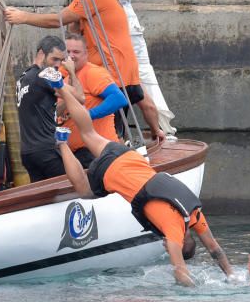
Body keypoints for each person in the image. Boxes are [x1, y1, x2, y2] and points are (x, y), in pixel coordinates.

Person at [49, 69, 233, 286]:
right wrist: (195, 295)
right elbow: (180, 273)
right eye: (171, 247)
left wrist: (230, 273)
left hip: (128, 156)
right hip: (112, 172)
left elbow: (215, 249)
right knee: (84, 189)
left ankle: (61, 86)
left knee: (89, 133)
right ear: (183, 241)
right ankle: (62, 143)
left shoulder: (196, 215)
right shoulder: (175, 232)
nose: (166, 246)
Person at [5, 0, 166, 142]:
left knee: (113, 127)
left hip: (112, 70)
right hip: (126, 66)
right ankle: (159, 134)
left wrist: (23, 17)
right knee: (142, 100)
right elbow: (73, 29)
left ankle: (121, 146)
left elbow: (58, 19)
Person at [60, 34, 127, 167]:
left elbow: (118, 98)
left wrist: (88, 115)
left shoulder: (93, 72)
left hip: (97, 152)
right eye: (67, 52)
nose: (71, 55)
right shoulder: (64, 77)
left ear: (86, 54)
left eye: (76, 52)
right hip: (75, 153)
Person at [16, 36, 69, 182]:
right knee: (70, 186)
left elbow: (44, 111)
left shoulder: (23, 78)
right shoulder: (43, 75)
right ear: (41, 54)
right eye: (54, 59)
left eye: (61, 61)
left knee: (45, 198)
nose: (58, 65)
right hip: (47, 150)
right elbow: (79, 96)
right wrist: (73, 73)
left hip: (28, 152)